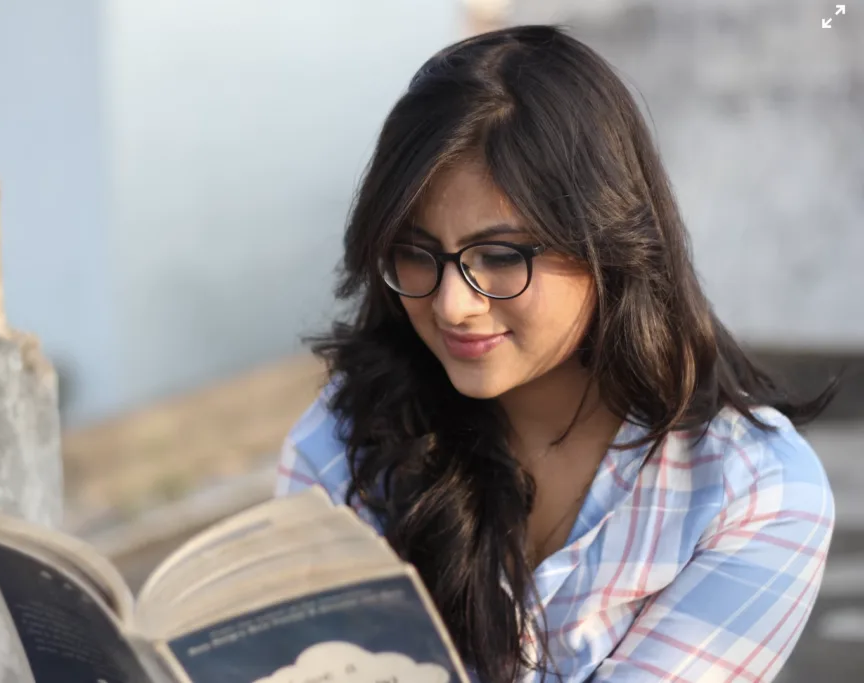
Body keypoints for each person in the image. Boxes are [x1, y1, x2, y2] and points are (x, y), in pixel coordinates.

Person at [274, 25, 836, 683]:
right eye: (417, 253)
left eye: (501, 256)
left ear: (608, 242)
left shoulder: (753, 496)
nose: (454, 303)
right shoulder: (345, 446)